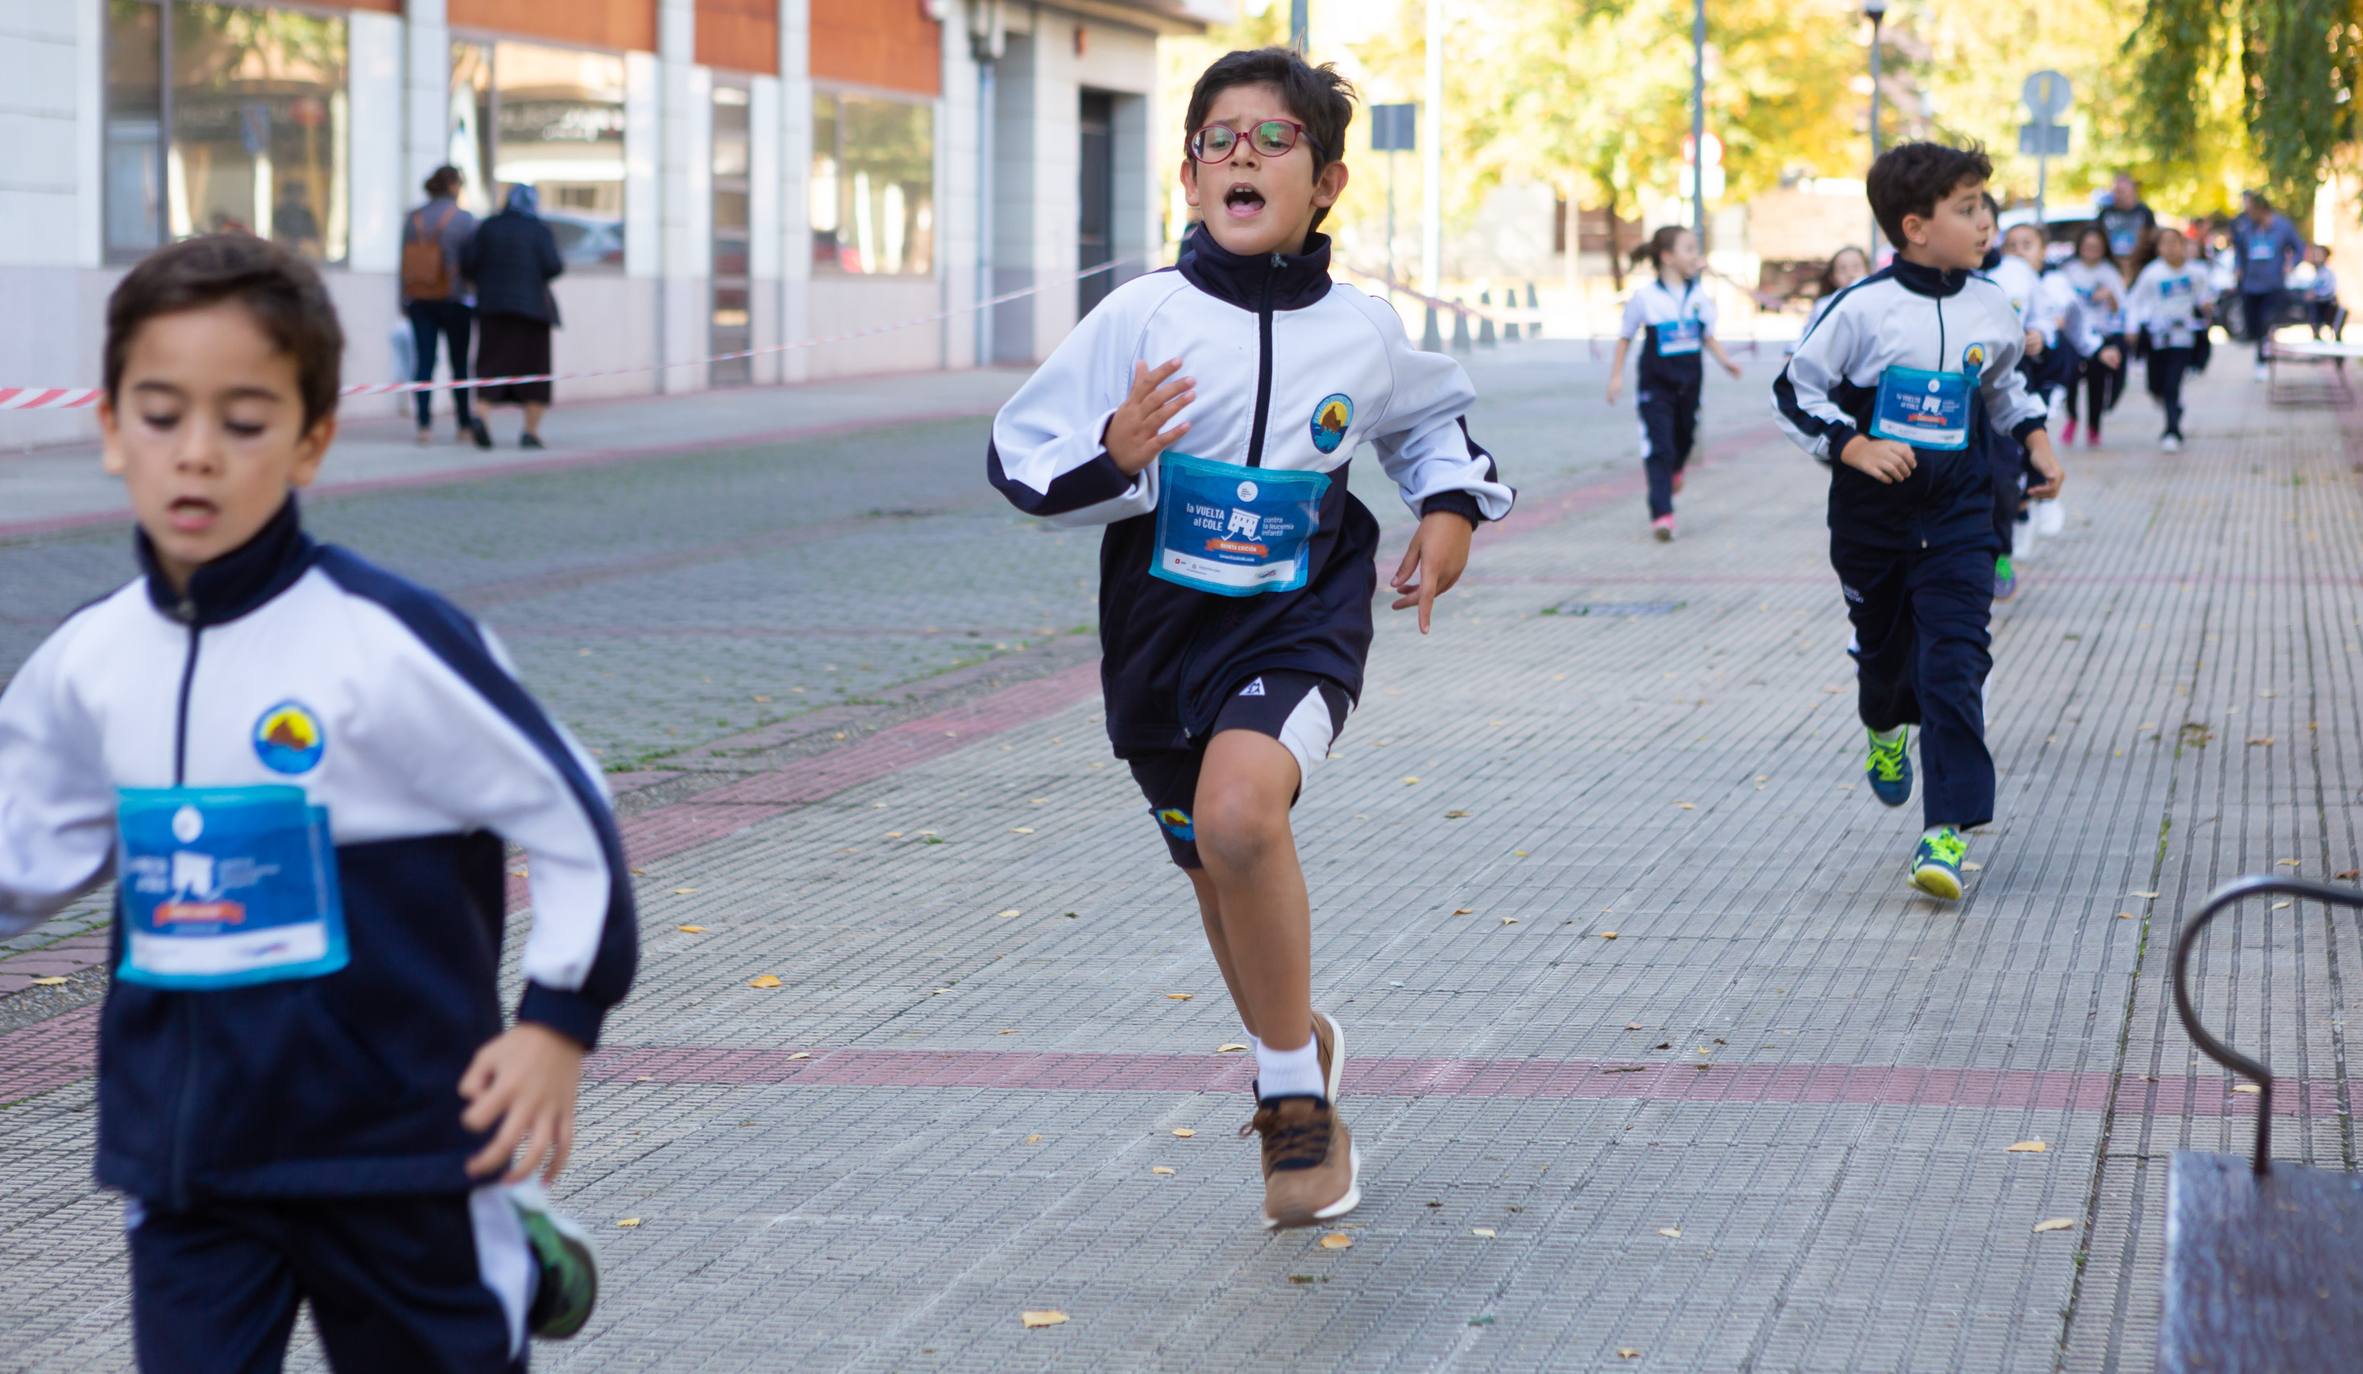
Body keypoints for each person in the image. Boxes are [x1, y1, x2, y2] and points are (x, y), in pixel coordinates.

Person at [0, 233, 634, 1368]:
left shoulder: (385, 644)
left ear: (311, 440)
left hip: (400, 1159)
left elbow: (572, 817)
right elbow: (20, 853)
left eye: (244, 423)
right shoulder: (87, 663)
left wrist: (555, 1024)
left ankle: (510, 1247)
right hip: (191, 1165)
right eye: (160, 415)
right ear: (108, 429)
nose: (197, 455)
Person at [986, 47, 1513, 1229]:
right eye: (1219, 139)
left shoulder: (1361, 328)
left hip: (1301, 616)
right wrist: (1116, 456)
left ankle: (1290, 1104)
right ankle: (1303, 1043)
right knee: (1212, 870)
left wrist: (1446, 509)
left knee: (1239, 816)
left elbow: (1433, 424)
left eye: (1271, 140)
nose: (1241, 156)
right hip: (1160, 637)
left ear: (1323, 183)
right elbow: (1019, 456)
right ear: (1185, 176)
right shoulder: (1138, 315)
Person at [1771, 142, 2064, 900]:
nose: (1984, 221)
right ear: (1914, 226)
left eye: (1985, 206)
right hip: (1872, 522)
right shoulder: (1861, 307)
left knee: (1954, 662)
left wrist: (2035, 443)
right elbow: (1793, 390)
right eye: (1965, 208)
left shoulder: (1991, 305)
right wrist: (1854, 445)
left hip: (1961, 516)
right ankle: (1880, 726)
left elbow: (2004, 390)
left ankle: (1946, 833)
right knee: (1884, 662)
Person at [1607, 225, 1744, 541]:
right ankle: (1662, 515)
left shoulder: (1699, 297)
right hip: (1655, 387)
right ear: (1667, 257)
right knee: (1660, 447)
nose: (1695, 255)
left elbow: (1707, 336)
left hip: (1689, 385)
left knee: (1683, 439)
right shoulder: (1645, 298)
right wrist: (1616, 376)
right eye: (1689, 248)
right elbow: (1625, 338)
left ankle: (1676, 471)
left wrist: (1726, 362)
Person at [462, 185, 565, 449]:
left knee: (490, 367)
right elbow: (554, 265)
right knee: (535, 373)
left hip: (493, 309)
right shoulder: (539, 230)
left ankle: (481, 416)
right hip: (532, 313)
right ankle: (530, 432)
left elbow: (468, 263)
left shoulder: (488, 227)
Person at [400, 166, 491, 450]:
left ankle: (424, 425)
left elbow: (403, 262)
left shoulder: (413, 218)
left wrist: (403, 299)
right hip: (456, 299)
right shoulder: (465, 219)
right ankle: (463, 423)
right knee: (459, 364)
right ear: (453, 185)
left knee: (423, 362)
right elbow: (476, 263)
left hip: (419, 298)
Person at [2126, 227, 2216, 451]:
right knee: (2156, 385)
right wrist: (2132, 327)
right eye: (2164, 244)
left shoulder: (2196, 273)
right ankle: (2173, 409)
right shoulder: (2152, 273)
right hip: (2158, 338)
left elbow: (2205, 296)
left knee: (2172, 382)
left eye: (2174, 243)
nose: (2170, 248)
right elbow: (2135, 302)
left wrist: (2206, 307)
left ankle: (2172, 430)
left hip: (2183, 337)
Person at [2059, 227, 2128, 449]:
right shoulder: (2067, 270)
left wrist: (2109, 298)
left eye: (2096, 247)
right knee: (2069, 380)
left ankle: (2093, 427)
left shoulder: (2110, 273)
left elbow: (2121, 309)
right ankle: (2071, 417)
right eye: (2088, 246)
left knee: (2097, 383)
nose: (2091, 251)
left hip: (2100, 336)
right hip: (2072, 335)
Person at [2231, 191, 2306, 377]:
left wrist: (2291, 264)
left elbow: (2299, 248)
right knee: (2253, 324)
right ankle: (2262, 350)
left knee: (2267, 322)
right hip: (2251, 284)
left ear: (2261, 209)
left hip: (2273, 284)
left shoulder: (2283, 226)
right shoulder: (2246, 227)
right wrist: (2238, 267)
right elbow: (2239, 251)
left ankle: (2262, 359)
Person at [2097, 173, 2158, 262]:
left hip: (2140, 262)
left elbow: (2150, 237)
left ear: (2133, 190)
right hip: (2111, 263)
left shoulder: (2145, 212)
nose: (2119, 195)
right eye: (2116, 191)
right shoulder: (2105, 213)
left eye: (2122, 191)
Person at [2302, 244, 2343, 340]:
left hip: (2325, 306)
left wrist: (2316, 294)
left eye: (2318, 254)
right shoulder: (2313, 273)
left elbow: (2328, 290)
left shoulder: (2327, 273)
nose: (2315, 256)